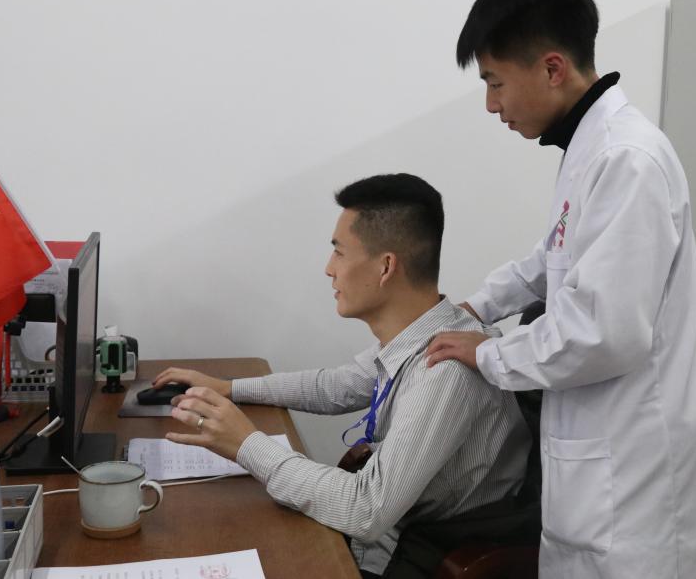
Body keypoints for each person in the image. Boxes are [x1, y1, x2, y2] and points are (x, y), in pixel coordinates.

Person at [425, 0, 696, 578]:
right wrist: (476, 307)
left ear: (552, 68)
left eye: (495, 82)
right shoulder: (590, 146)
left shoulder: (627, 158)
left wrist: (487, 353)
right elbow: (553, 256)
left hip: (641, 487)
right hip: (603, 477)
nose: (491, 105)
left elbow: (602, 333)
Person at [155, 173, 530, 579]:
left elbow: (366, 509)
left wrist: (246, 444)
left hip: (406, 557)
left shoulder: (446, 369)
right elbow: (336, 385)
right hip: (385, 540)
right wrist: (230, 388)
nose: (329, 269)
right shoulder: (425, 333)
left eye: (339, 252)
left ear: (385, 267)